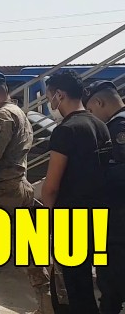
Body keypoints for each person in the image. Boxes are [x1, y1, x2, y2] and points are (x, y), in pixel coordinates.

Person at [0, 70, 54, 314]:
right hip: (21, 186)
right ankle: (46, 303)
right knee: (30, 249)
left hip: (3, 190)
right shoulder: (20, 112)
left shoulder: (3, 115)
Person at [40, 71, 111, 313]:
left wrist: (48, 217)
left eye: (49, 96)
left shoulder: (66, 130)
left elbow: (51, 186)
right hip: (97, 215)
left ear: (59, 94)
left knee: (72, 288)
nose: (50, 102)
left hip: (70, 218)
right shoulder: (100, 125)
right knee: (86, 284)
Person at [83, 80, 125, 314]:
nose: (91, 116)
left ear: (99, 102)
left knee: (111, 285)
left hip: (117, 220)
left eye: (90, 110)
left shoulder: (118, 128)